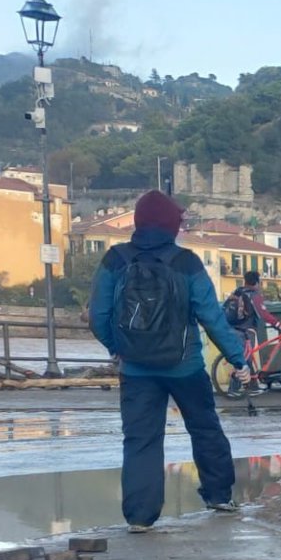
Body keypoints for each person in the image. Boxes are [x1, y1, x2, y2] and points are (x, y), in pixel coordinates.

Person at [88, 190, 251, 533]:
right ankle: (219, 495)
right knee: (204, 428)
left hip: (135, 370)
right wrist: (238, 360)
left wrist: (117, 348)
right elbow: (212, 318)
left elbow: (98, 316)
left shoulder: (115, 260)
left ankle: (140, 517)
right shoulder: (187, 262)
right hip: (185, 366)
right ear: (170, 225)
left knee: (141, 440)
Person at [222, 269, 281, 391]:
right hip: (246, 331)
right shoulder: (254, 295)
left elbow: (224, 307)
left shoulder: (237, 292)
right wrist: (278, 324)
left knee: (247, 358)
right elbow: (263, 313)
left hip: (232, 328)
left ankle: (253, 387)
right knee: (244, 359)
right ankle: (232, 391)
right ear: (256, 282)